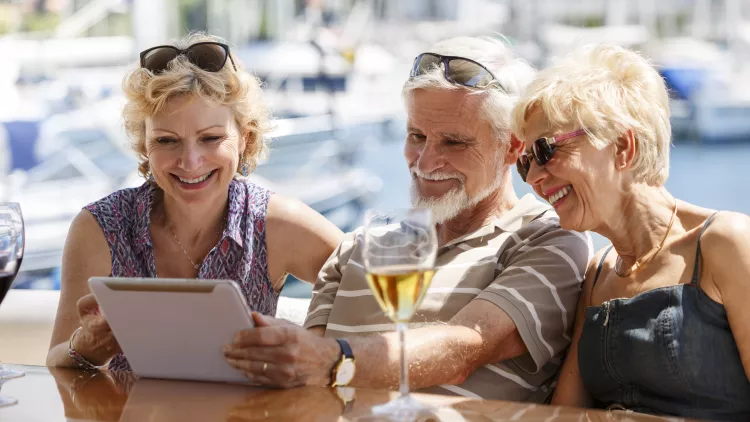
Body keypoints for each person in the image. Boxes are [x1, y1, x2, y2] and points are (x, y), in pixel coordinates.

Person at [222, 36, 592, 403]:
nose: (426, 162)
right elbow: (306, 381)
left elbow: (466, 346)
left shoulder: (548, 240)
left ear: (512, 146)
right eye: (416, 135)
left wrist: (334, 361)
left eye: (454, 143)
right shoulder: (356, 249)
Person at [46, 33, 344, 371]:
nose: (190, 161)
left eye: (211, 138)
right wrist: (85, 347)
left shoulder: (274, 222)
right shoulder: (98, 227)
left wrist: (321, 345)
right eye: (167, 140)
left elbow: (373, 294)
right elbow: (58, 360)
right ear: (144, 145)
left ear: (244, 138)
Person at [511, 43, 750, 420]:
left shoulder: (726, 242)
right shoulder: (598, 275)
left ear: (622, 146)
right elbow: (565, 414)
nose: (535, 179)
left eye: (545, 150)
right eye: (525, 164)